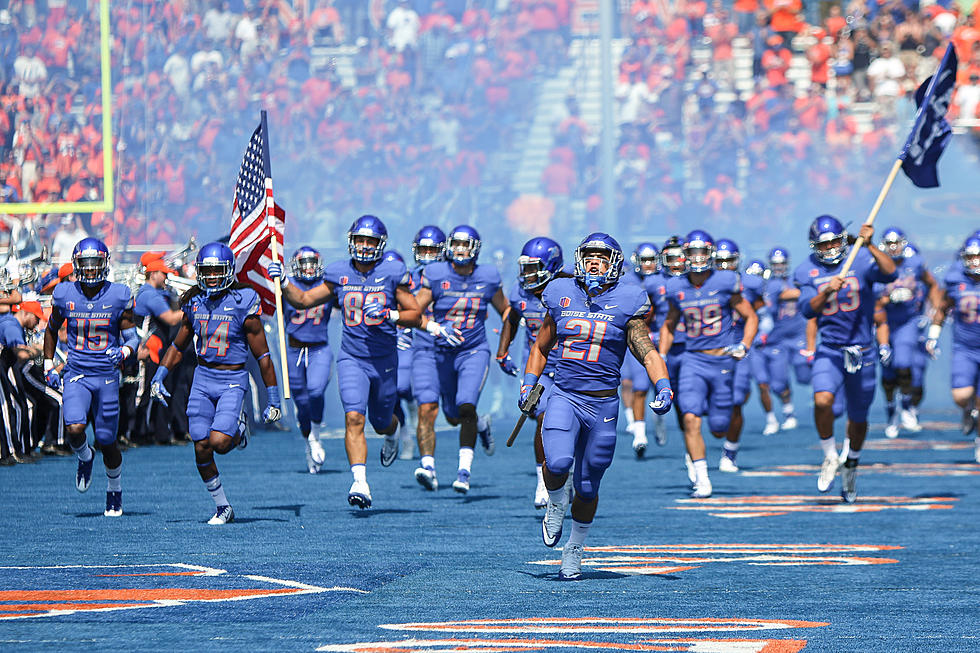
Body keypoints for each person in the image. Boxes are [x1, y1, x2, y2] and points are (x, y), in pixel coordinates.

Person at [523, 232, 673, 580]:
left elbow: (645, 349)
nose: (594, 262)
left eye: (602, 258)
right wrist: (530, 382)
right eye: (589, 256)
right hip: (564, 394)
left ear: (614, 264)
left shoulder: (628, 299)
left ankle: (574, 547)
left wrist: (663, 383)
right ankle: (557, 501)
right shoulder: (561, 292)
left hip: (603, 404)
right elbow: (541, 347)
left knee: (589, 487)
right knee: (558, 461)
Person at [267, 215, 421, 508]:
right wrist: (284, 281)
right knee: (354, 417)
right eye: (360, 240)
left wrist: (390, 315)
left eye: (370, 241)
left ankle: (393, 432)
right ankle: (360, 482)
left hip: (384, 358)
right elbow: (303, 299)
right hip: (352, 358)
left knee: (381, 420)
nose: (364, 246)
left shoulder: (391, 271)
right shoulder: (339, 272)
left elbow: (416, 314)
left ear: (380, 244)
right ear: (351, 240)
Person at [151, 242, 282, 524]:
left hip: (232, 379)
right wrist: (159, 375)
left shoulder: (243, 301)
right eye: (206, 271)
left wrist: (273, 397)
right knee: (200, 444)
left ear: (229, 272)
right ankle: (222, 506)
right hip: (203, 377)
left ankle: (240, 428)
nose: (211, 277)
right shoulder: (194, 302)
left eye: (216, 271)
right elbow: (178, 346)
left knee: (220, 443)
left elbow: (263, 356)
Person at [793, 216, 896, 503]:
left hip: (862, 350)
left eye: (834, 241)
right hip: (831, 349)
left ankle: (851, 463)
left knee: (858, 417)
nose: (829, 248)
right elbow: (807, 310)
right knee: (822, 400)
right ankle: (829, 456)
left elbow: (890, 273)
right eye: (823, 244)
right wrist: (825, 291)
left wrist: (872, 245)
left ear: (844, 239)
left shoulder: (860, 258)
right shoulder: (807, 270)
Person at [43, 238, 139, 518]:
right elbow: (51, 329)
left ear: (105, 264)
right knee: (74, 428)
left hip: (107, 375)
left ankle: (114, 489)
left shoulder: (118, 294)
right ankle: (85, 456)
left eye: (95, 264)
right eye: (84, 265)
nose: (90, 270)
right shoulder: (63, 294)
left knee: (108, 440)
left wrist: (124, 350)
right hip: (78, 372)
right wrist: (49, 364)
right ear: (76, 266)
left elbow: (132, 336)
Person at [659, 230, 758, 498]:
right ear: (685, 255)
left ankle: (715, 453)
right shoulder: (676, 286)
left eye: (703, 252)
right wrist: (662, 356)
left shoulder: (726, 280)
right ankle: (702, 478)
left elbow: (750, 316)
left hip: (722, 360)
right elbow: (669, 323)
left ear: (711, 254)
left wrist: (744, 345)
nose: (698, 257)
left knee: (718, 428)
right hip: (692, 359)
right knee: (690, 417)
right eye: (693, 252)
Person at [414, 225, 507, 494]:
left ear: (475, 249)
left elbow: (506, 310)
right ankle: (480, 424)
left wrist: (505, 347)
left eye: (466, 245)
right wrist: (434, 326)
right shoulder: (435, 273)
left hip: (473, 350)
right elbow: (414, 311)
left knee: (466, 405)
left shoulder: (488, 276)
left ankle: (463, 472)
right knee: (453, 416)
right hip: (442, 350)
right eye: (456, 244)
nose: (460, 250)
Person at [496, 236, 564, 508]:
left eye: (533, 268)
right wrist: (502, 352)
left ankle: (564, 475)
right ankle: (542, 481)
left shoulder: (567, 289)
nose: (527, 275)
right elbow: (512, 318)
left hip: (573, 367)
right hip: (542, 368)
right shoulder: (519, 292)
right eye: (525, 268)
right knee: (544, 419)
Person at [875, 228, 941, 437]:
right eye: (889, 243)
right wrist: (889, 298)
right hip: (883, 324)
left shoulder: (915, 264)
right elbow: (871, 300)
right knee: (887, 374)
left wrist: (933, 312)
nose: (894, 247)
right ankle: (891, 413)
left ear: (903, 243)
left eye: (897, 243)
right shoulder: (875, 266)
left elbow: (932, 284)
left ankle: (906, 407)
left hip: (908, 322)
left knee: (903, 363)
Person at [714, 240, 767, 472]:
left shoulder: (750, 284)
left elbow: (761, 311)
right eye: (720, 262)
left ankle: (730, 452)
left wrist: (750, 340)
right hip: (710, 350)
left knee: (737, 402)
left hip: (739, 347)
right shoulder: (704, 284)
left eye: (729, 261)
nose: (725, 266)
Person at [926, 235, 980, 463]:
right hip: (965, 347)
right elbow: (943, 307)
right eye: (971, 256)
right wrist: (933, 335)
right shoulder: (955, 278)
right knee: (961, 396)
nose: (975, 261)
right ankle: (968, 411)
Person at [282, 246, 334, 473]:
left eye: (313, 263)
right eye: (304, 264)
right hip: (293, 350)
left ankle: (315, 435)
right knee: (301, 403)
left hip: (318, 349)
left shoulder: (327, 285)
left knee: (315, 391)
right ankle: (308, 443)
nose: (309, 268)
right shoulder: (285, 286)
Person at [407, 225, 447, 490]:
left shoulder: (454, 276)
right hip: (423, 349)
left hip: (453, 351)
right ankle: (428, 465)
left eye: (434, 250)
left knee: (457, 414)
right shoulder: (407, 279)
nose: (429, 255)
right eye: (424, 250)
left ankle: (477, 422)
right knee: (426, 408)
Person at [619, 242, 667, 457]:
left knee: (664, 386)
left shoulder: (666, 282)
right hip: (637, 337)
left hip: (662, 338)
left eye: (651, 260)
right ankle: (640, 433)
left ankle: (658, 418)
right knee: (639, 386)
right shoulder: (628, 281)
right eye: (644, 260)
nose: (648, 264)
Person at [133, 256, 185, 446]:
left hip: (155, 349)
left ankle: (149, 432)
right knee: (145, 392)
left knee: (149, 391)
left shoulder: (153, 293)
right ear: (153, 274)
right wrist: (192, 308)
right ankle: (139, 432)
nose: (165, 278)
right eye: (163, 274)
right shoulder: (150, 295)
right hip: (150, 350)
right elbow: (171, 319)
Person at [760, 246, 809, 430]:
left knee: (804, 375)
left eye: (781, 264)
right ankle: (789, 412)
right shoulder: (767, 284)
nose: (779, 267)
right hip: (777, 339)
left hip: (798, 336)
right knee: (778, 382)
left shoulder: (796, 280)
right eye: (775, 264)